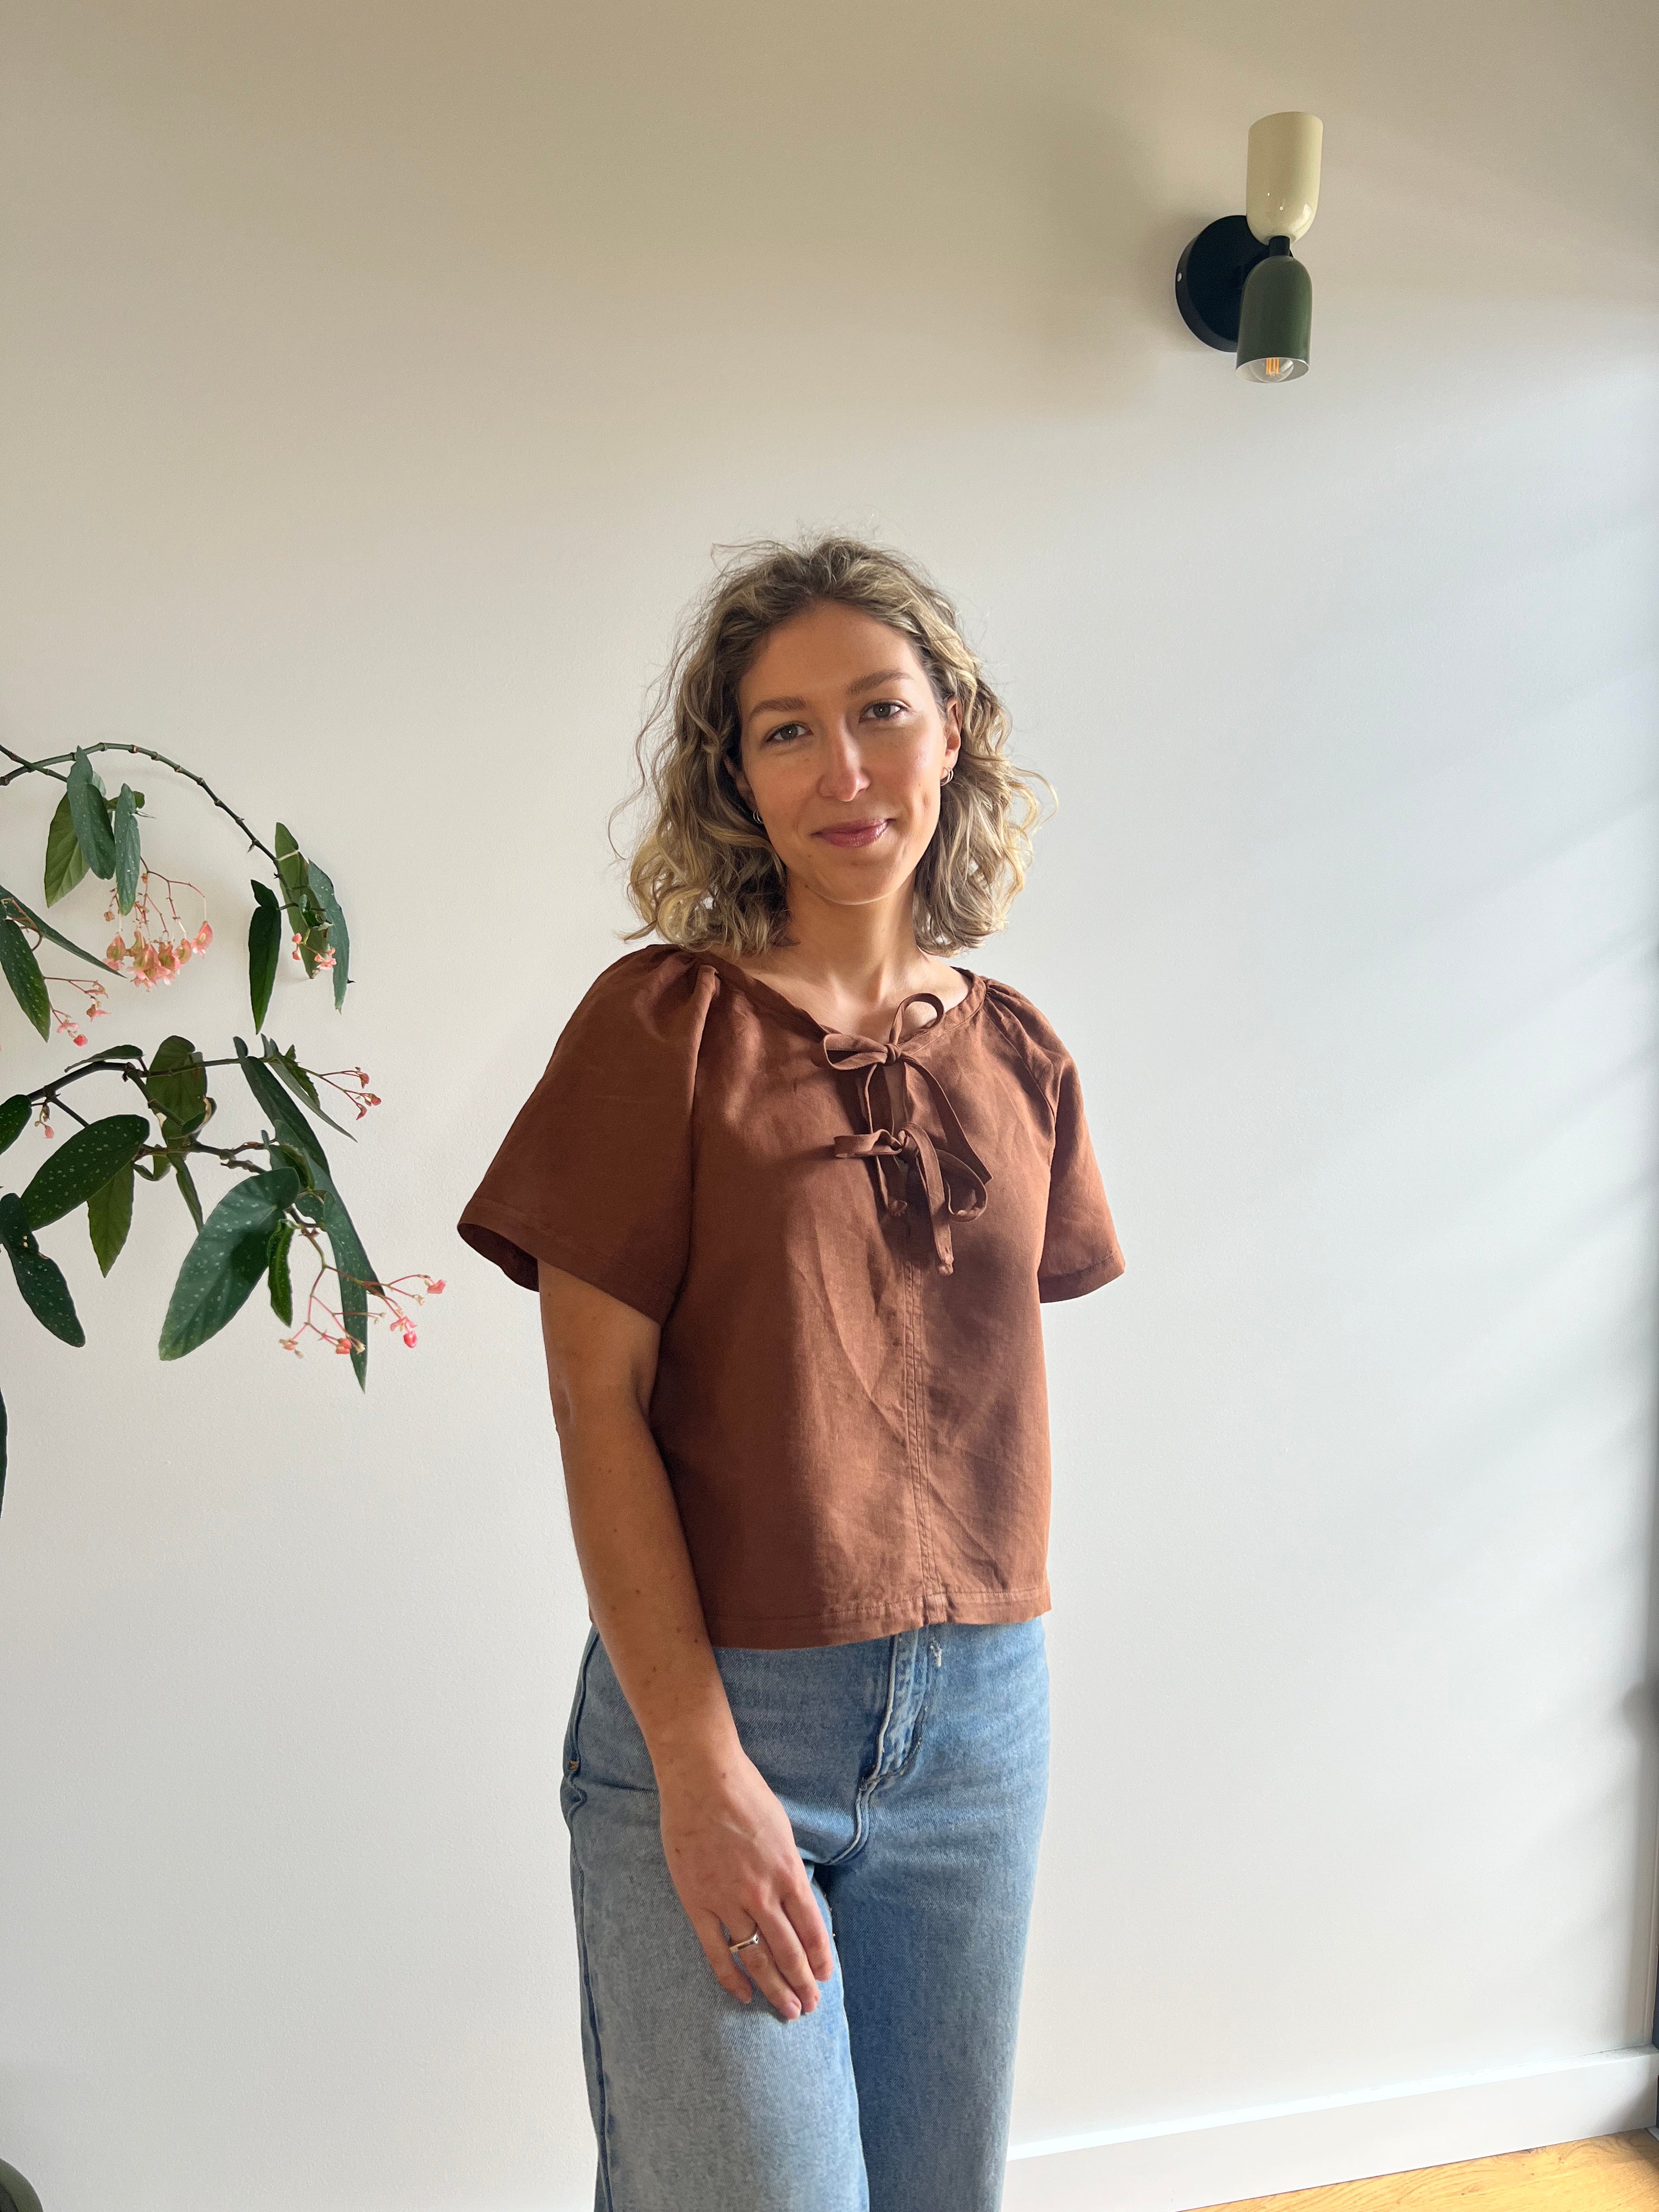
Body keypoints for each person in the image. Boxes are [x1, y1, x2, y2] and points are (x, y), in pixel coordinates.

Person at [456, 535, 1124, 2212]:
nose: (843, 770)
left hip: (982, 1719)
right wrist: (699, 1769)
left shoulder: (1022, 1051)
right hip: (729, 1708)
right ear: (732, 774)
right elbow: (590, 1405)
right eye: (784, 731)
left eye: (880, 712)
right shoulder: (661, 1029)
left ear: (952, 728)